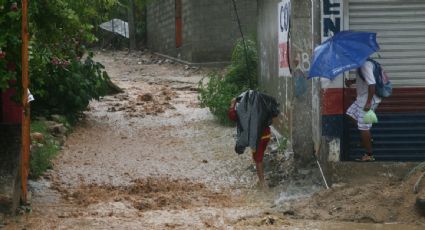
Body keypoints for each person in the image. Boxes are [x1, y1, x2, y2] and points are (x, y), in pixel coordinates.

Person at [228, 97, 274, 188]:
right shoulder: (261, 105)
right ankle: (262, 177)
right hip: (267, 135)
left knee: (258, 159)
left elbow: (232, 116)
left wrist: (232, 104)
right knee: (259, 156)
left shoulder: (245, 110)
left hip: (257, 138)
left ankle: (262, 183)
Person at [345, 59, 382, 161]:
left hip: (368, 100)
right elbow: (363, 79)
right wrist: (351, 81)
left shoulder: (365, 65)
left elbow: (372, 84)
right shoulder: (361, 64)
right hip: (361, 99)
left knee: (364, 128)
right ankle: (367, 138)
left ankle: (369, 155)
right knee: (350, 114)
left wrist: (368, 102)